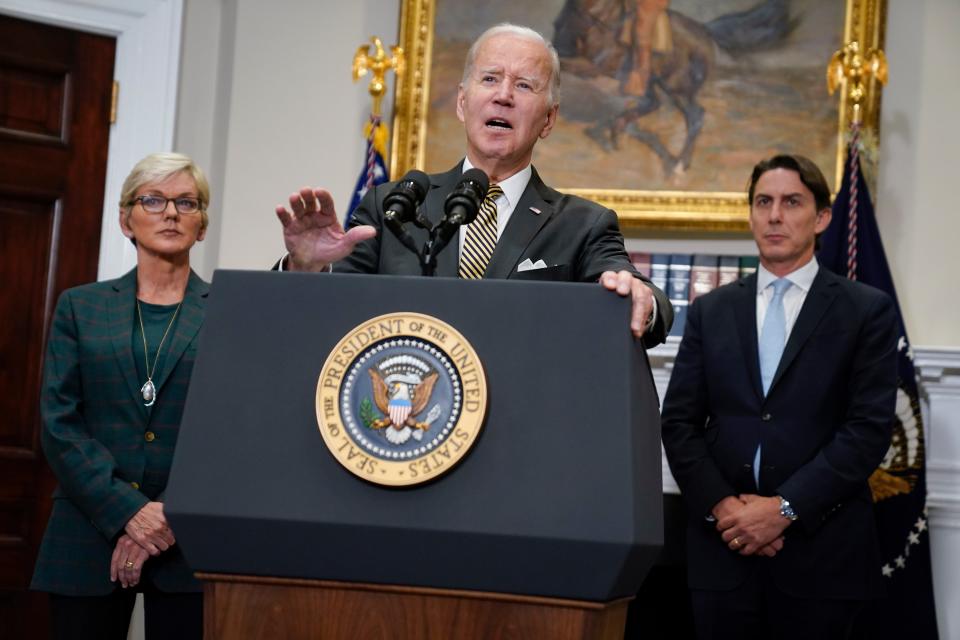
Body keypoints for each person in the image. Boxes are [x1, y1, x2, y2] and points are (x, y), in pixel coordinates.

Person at [274, 23, 672, 347]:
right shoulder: (391, 206)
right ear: (463, 103)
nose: (503, 96)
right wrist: (306, 269)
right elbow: (328, 319)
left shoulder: (584, 225)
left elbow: (643, 300)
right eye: (490, 78)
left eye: (524, 85)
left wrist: (640, 297)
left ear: (548, 120)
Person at [660, 154, 898, 639]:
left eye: (792, 202)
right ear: (750, 214)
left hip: (823, 557)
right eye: (763, 202)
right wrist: (728, 510)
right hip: (722, 554)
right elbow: (679, 423)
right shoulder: (710, 311)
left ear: (822, 217)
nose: (774, 215)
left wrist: (782, 510)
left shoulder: (865, 311)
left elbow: (867, 431)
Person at [31, 153, 210, 639]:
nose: (170, 213)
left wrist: (165, 516)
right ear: (125, 219)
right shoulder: (80, 307)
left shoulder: (227, 312)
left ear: (202, 225)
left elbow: (228, 432)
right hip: (86, 534)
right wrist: (127, 512)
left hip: (188, 542)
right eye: (152, 200)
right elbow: (60, 424)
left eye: (186, 202)